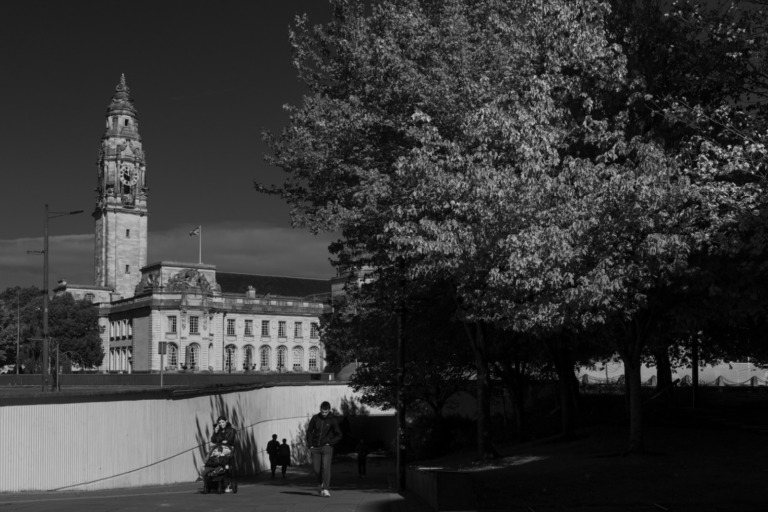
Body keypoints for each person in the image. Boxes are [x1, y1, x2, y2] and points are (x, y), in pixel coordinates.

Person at [306, 400, 342, 497]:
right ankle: (320, 484)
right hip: (315, 448)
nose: (324, 414)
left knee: (326, 467)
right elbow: (309, 431)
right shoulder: (315, 418)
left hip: (327, 447)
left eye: (326, 412)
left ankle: (326, 489)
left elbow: (339, 434)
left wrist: (330, 443)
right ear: (320, 409)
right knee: (316, 469)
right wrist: (310, 445)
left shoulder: (332, 420)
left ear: (329, 410)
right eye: (322, 412)